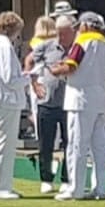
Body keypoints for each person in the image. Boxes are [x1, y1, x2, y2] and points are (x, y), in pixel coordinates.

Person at [50, 12, 105, 201]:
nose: (78, 29)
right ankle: (100, 188)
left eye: (80, 26)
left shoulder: (83, 42)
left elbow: (71, 67)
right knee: (99, 148)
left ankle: (75, 189)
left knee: (77, 145)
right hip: (100, 98)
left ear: (86, 26)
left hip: (80, 98)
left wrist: (55, 70)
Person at [0, 11, 29, 200]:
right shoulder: (4, 46)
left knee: (3, 144)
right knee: (5, 145)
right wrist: (29, 77)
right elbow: (10, 78)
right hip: (6, 99)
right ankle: (1, 189)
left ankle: (2, 186)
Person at [30, 15, 74, 194]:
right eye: (59, 34)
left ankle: (66, 179)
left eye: (64, 34)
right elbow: (30, 61)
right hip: (47, 102)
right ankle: (46, 178)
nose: (61, 38)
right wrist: (34, 83)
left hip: (68, 103)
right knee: (45, 143)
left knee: (69, 143)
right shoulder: (47, 46)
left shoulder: (77, 48)